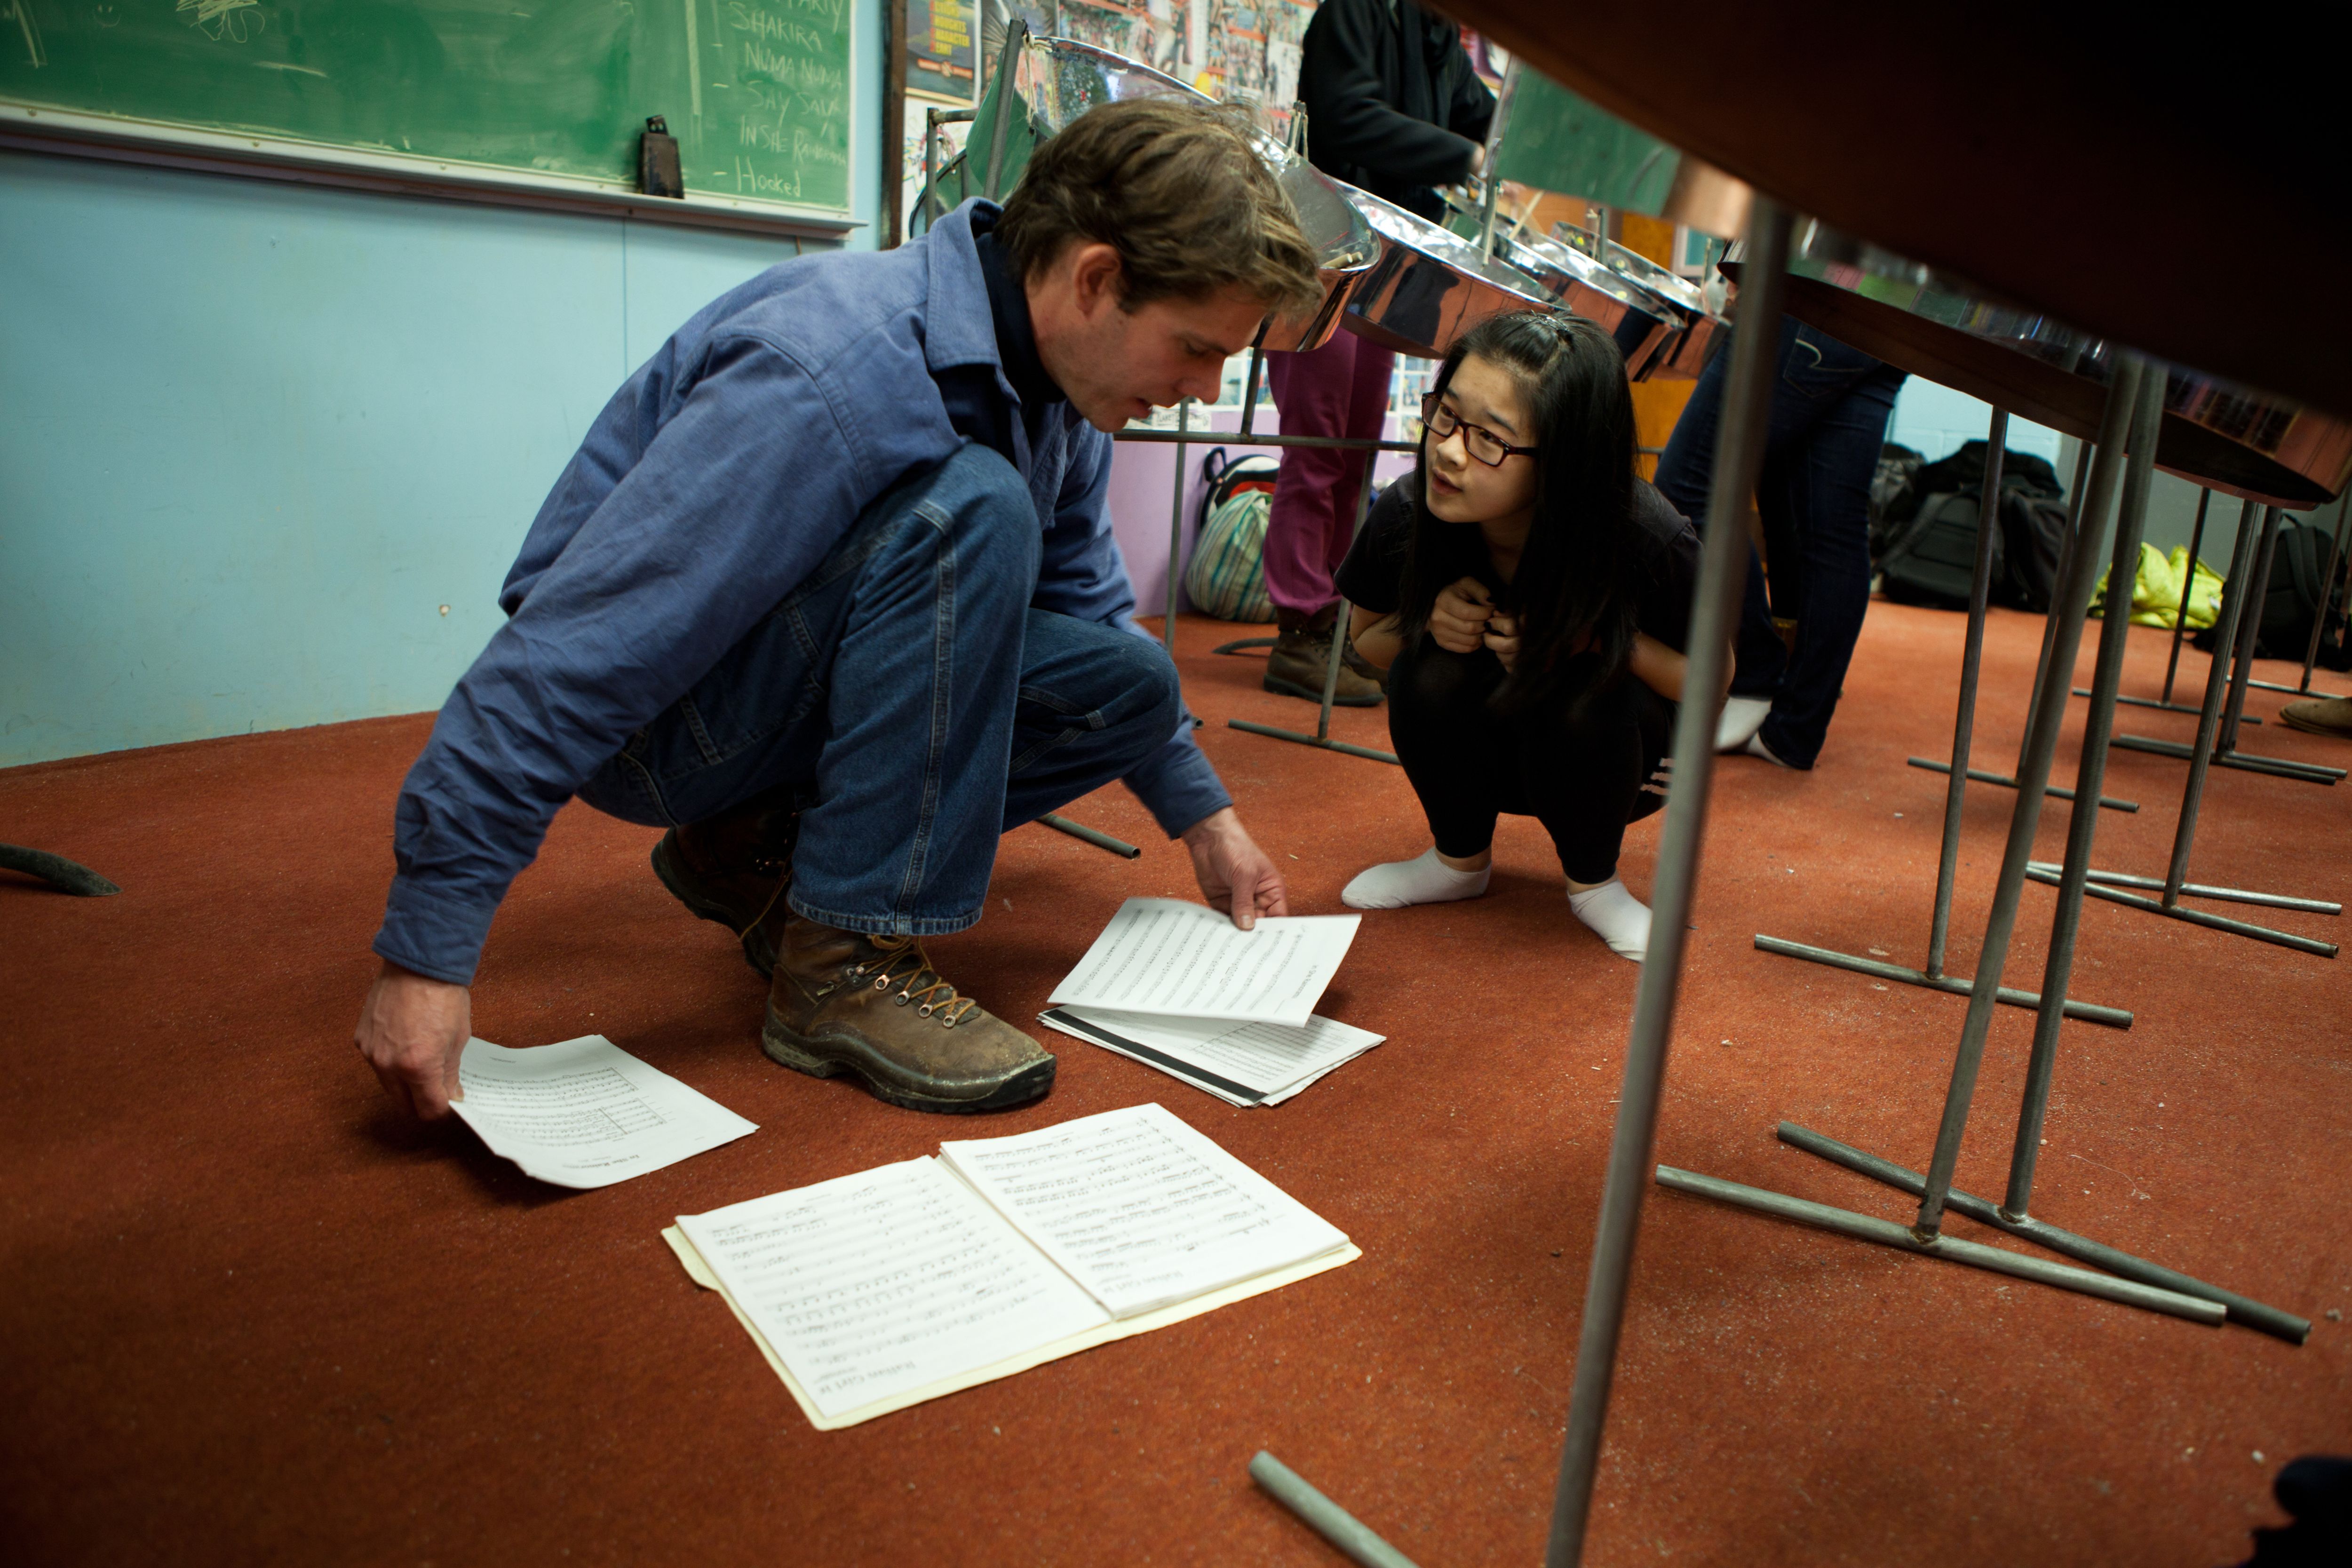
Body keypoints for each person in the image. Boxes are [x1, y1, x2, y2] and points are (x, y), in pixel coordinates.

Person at [352, 99, 1324, 1122]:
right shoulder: (831, 367)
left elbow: (1085, 608)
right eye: (1194, 347)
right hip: (659, 724)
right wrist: (426, 954)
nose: (1202, 388)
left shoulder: (1061, 396)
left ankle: (751, 847)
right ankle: (839, 963)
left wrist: (1208, 824)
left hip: (776, 683)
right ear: (1094, 279)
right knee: (979, 505)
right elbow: (572, 655)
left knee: (1129, 683)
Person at [1333, 311, 1710, 962]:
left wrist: (1594, 642)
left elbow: (1713, 681)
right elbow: (1366, 642)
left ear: (1565, 461)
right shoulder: (1410, 509)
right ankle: (1457, 862)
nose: (1450, 451)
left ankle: (1595, 885)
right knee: (1427, 665)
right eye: (1446, 415)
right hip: (1486, 756)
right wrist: (1425, 621)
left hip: (1626, 766)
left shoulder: (1645, 535)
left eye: (1490, 439)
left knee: (1584, 688)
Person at [1253, 0, 1496, 705]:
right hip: (1321, 250)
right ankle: (1298, 627)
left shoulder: (1435, 34)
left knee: (1358, 450)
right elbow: (1348, 116)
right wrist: (1466, 157)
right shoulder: (1352, 12)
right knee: (1317, 449)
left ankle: (1336, 613)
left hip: (1384, 262)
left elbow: (1479, 114)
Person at [1652, 313, 1906, 770]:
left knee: (1688, 486)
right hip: (1896, 324)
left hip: (1819, 301)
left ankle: (1754, 675)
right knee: (1834, 526)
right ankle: (1795, 730)